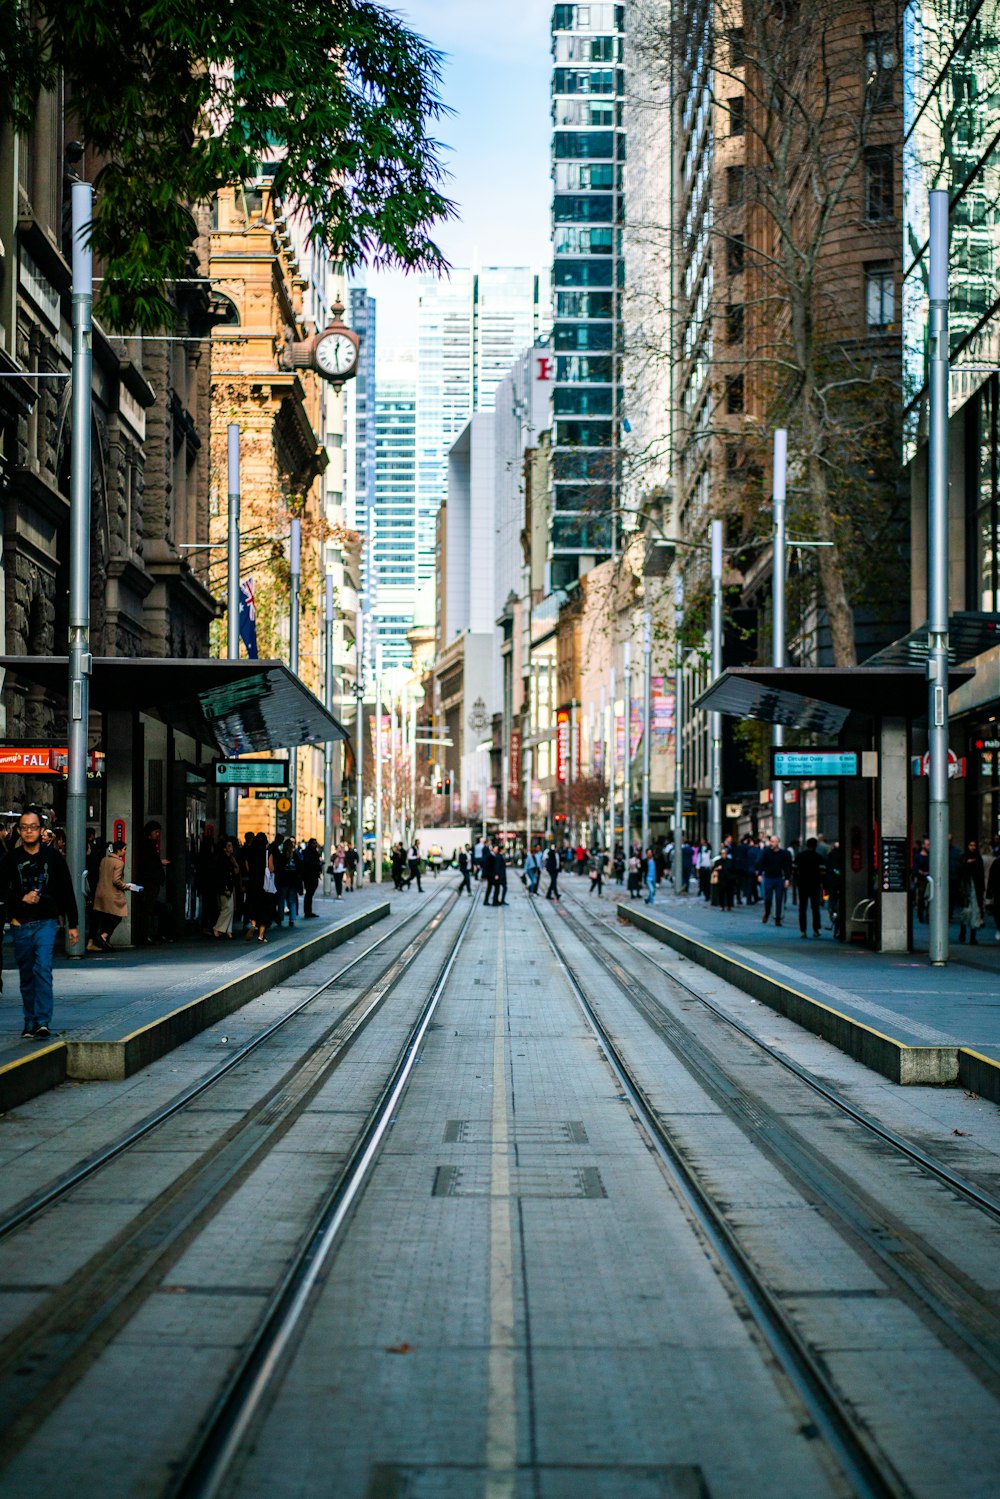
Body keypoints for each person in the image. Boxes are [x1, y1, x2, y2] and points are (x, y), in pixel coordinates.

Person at [0, 809, 80, 1039]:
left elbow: (66, 889)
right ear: (19, 830)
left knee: (43, 969)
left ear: (40, 829)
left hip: (45, 922)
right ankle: (29, 1020)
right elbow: (1, 887)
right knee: (27, 975)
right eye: (24, 827)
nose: (28, 831)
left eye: (33, 827)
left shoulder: (52, 857)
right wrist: (20, 898)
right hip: (20, 924)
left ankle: (43, 1021)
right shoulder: (10, 859)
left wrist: (73, 924)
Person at [87, 839, 129, 951]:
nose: (125, 852)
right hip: (112, 894)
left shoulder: (104, 860)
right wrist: (126, 886)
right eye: (124, 849)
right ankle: (103, 937)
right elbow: (116, 880)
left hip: (100, 892)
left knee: (98, 918)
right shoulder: (119, 863)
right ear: (118, 850)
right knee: (117, 916)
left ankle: (92, 942)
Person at [137, 820, 174, 943]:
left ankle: (149, 934)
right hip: (150, 882)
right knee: (148, 909)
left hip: (151, 882)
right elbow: (147, 863)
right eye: (156, 832)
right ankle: (145, 935)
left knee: (153, 908)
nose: (157, 835)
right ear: (150, 832)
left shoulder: (148, 844)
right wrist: (160, 863)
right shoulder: (148, 845)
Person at [245, 832, 275, 942]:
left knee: (254, 905)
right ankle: (261, 936)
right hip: (264, 885)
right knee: (264, 909)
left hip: (253, 883)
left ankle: (253, 925)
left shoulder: (250, 851)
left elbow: (247, 868)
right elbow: (271, 868)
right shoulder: (267, 852)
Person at [795, 837, 827, 938]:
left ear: (806, 845)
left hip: (803, 884)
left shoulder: (800, 856)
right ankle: (816, 929)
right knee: (815, 908)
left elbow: (794, 870)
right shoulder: (818, 857)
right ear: (815, 846)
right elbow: (823, 872)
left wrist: (797, 881)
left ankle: (803, 930)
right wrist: (821, 882)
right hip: (814, 884)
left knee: (802, 908)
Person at [758, 835, 793, 926]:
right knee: (768, 898)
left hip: (779, 878)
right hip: (769, 877)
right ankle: (767, 912)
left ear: (778, 843)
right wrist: (759, 874)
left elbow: (787, 867)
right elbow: (761, 863)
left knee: (779, 898)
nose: (771, 843)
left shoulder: (783, 854)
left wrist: (787, 879)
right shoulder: (766, 852)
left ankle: (778, 918)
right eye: (771, 841)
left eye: (773, 842)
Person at [957, 839, 986, 945]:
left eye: (974, 845)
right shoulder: (963, 857)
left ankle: (972, 936)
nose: (973, 847)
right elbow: (959, 870)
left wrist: (982, 889)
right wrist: (966, 863)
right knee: (966, 912)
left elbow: (981, 874)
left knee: (975, 911)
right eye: (971, 845)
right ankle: (963, 932)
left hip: (975, 888)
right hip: (967, 887)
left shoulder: (978, 858)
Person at [214, 838, 241, 938]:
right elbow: (222, 875)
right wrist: (225, 888)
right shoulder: (222, 859)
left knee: (230, 908)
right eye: (229, 846)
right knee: (227, 908)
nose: (231, 848)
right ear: (224, 848)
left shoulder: (230, 858)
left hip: (230, 885)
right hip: (225, 887)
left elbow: (236, 871)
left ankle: (228, 930)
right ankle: (218, 928)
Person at [300, 838, 322, 917]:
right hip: (309, 875)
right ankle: (307, 911)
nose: (315, 845)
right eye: (313, 843)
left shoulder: (314, 852)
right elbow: (308, 863)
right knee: (309, 893)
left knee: (310, 894)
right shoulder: (308, 852)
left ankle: (308, 911)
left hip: (313, 875)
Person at [480, 840, 496, 905]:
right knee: (490, 887)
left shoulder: (486, 850)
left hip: (488, 872)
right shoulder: (487, 851)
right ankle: (487, 901)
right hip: (489, 873)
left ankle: (488, 900)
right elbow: (487, 860)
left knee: (490, 887)